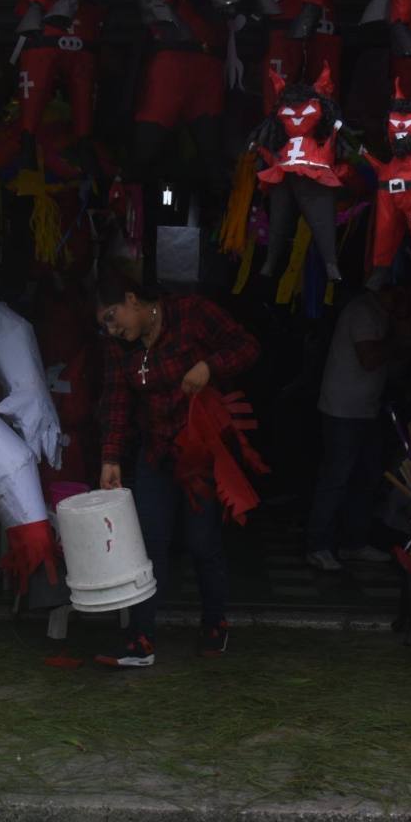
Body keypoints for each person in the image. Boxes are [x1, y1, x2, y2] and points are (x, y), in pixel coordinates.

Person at [93, 271, 260, 667]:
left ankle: (215, 623)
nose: (112, 330)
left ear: (132, 299)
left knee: (202, 542)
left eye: (113, 317)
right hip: (155, 452)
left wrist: (209, 366)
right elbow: (117, 400)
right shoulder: (120, 347)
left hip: (198, 452)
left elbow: (248, 346)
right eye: (105, 325)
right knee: (148, 544)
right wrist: (110, 458)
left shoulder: (190, 313)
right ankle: (141, 639)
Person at [306, 286, 406, 570]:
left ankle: (354, 542)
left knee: (366, 476)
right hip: (343, 409)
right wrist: (399, 336)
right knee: (336, 477)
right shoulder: (363, 310)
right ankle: (318, 545)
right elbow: (369, 358)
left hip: (366, 407)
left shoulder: (379, 312)